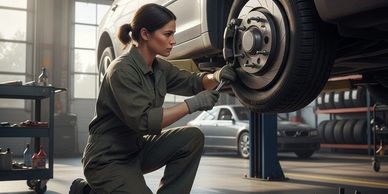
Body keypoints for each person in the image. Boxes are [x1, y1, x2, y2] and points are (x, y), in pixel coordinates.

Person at [70, 3, 236, 194]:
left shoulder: (159, 67)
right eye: (167, 34)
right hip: (107, 159)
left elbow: (193, 82)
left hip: (136, 149)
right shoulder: (121, 70)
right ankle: (86, 191)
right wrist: (193, 104)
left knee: (191, 138)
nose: (173, 40)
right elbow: (145, 122)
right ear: (145, 34)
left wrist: (215, 76)